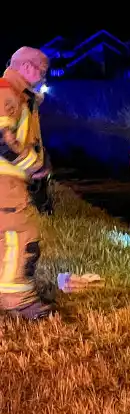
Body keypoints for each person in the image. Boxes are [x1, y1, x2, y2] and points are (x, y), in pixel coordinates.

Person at [0, 47, 53, 320]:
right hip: (5, 183)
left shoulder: (18, 95)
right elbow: (2, 139)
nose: (44, 77)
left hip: (9, 181)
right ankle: (18, 301)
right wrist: (34, 166)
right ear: (29, 67)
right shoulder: (7, 93)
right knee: (22, 239)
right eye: (43, 71)